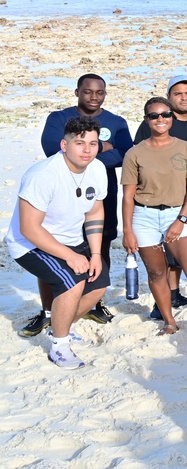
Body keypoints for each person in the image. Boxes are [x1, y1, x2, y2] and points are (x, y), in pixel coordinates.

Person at [22, 74, 130, 336]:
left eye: (99, 92)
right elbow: (53, 150)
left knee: (99, 247)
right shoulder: (58, 118)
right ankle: (49, 311)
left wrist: (87, 157)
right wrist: (104, 147)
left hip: (100, 194)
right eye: (88, 92)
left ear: (105, 93)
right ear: (77, 92)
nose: (94, 97)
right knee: (55, 252)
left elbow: (126, 155)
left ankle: (94, 301)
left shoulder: (116, 122)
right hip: (62, 199)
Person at [122, 97, 187, 347]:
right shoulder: (134, 153)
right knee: (157, 272)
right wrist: (127, 231)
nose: (160, 119)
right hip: (143, 216)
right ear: (146, 120)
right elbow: (127, 196)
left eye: (165, 115)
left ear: (171, 117)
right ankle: (169, 322)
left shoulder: (186, 148)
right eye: (154, 116)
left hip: (176, 214)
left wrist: (181, 219)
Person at [7, 118, 109, 368]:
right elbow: (29, 228)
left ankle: (62, 326)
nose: (87, 149)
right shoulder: (42, 175)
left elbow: (95, 212)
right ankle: (59, 347)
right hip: (30, 243)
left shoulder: (97, 169)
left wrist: (95, 253)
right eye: (80, 142)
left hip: (70, 238)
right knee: (72, 283)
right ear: (64, 145)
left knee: (98, 284)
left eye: (93, 143)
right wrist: (70, 256)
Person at [134, 75, 187, 319]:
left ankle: (175, 291)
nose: (184, 97)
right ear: (169, 97)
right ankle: (162, 303)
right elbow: (140, 162)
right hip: (156, 204)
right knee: (162, 254)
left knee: (178, 252)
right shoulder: (157, 122)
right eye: (178, 93)